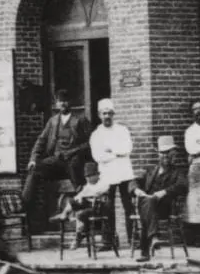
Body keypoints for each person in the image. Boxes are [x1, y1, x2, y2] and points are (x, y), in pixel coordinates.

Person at [72, 99, 136, 250]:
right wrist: (117, 153)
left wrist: (110, 150)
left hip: (124, 172)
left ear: (113, 114)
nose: (107, 116)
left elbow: (127, 148)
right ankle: (109, 241)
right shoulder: (96, 135)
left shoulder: (122, 130)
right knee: (107, 207)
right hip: (108, 174)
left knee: (129, 206)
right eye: (104, 113)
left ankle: (134, 239)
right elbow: (98, 156)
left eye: (109, 113)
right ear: (100, 115)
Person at [22, 91, 92, 220]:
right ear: (56, 103)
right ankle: (25, 204)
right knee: (35, 169)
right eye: (60, 101)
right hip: (57, 161)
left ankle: (83, 211)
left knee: (77, 176)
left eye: (65, 100)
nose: (63, 103)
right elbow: (41, 141)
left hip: (74, 161)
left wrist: (73, 151)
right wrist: (33, 159)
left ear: (70, 102)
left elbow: (90, 142)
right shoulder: (53, 121)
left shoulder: (80, 120)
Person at [134, 134, 190, 261]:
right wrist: (136, 190)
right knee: (148, 202)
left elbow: (183, 185)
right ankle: (153, 237)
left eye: (168, 153)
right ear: (158, 154)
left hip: (165, 207)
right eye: (163, 153)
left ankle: (145, 251)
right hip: (148, 205)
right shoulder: (150, 171)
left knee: (147, 206)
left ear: (173, 155)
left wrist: (164, 192)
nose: (166, 156)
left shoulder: (177, 172)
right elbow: (133, 181)